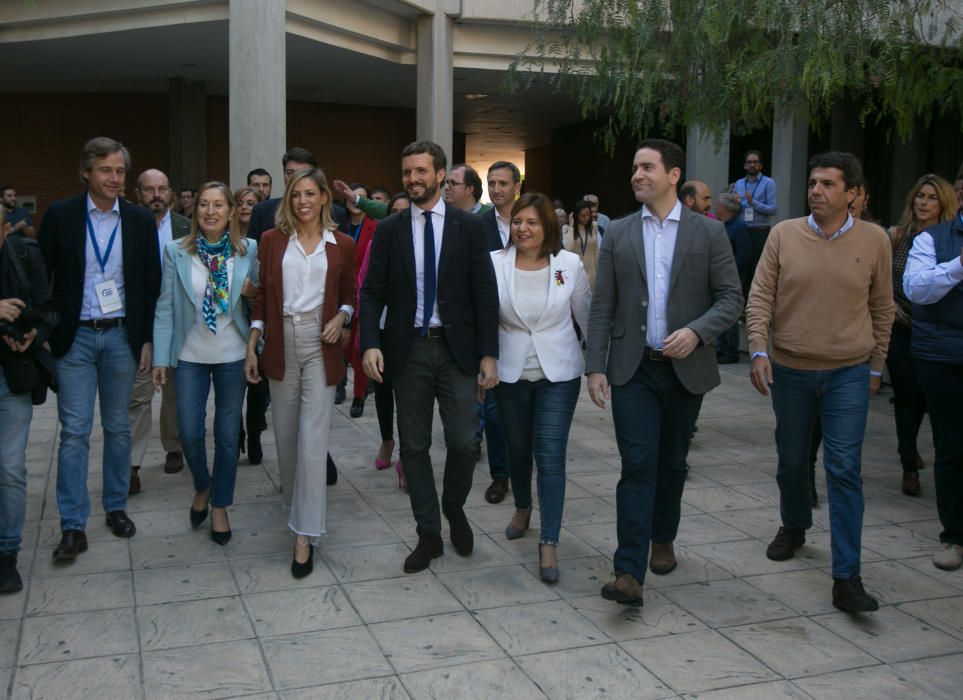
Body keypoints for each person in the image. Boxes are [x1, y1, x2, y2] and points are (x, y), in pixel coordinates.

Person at [587, 139, 743, 607]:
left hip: (685, 370)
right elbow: (603, 305)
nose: (637, 174)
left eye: (648, 167)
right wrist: (595, 366)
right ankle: (628, 570)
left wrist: (697, 333)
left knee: (672, 463)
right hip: (632, 368)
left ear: (674, 175)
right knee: (637, 464)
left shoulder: (708, 233)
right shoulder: (618, 232)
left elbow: (731, 299)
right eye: (635, 167)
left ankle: (663, 536)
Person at [747, 152, 894, 612]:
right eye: (813, 182)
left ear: (852, 193)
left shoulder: (875, 241)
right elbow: (760, 297)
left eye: (828, 184)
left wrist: (875, 366)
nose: (816, 190)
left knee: (844, 469)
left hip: (849, 371)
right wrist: (757, 348)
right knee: (792, 461)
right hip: (791, 370)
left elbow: (883, 308)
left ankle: (846, 576)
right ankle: (794, 525)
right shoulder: (783, 235)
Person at [360, 140, 499, 574]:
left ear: (440, 175)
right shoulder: (390, 229)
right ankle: (429, 533)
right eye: (407, 173)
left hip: (457, 350)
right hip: (409, 350)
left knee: (463, 441)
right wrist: (369, 342)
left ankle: (453, 507)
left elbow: (485, 294)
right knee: (414, 446)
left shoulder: (468, 227)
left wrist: (488, 354)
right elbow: (371, 292)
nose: (413, 179)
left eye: (421, 171)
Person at [38, 137, 161, 561]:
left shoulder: (139, 221)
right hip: (74, 338)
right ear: (86, 172)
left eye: (120, 171)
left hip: (121, 338)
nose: (114, 178)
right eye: (106, 170)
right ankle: (72, 524)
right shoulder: (60, 215)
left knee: (118, 426)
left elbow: (150, 284)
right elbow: (42, 276)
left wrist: (145, 338)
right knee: (73, 432)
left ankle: (115, 507)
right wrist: (48, 330)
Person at [247, 168, 356, 579]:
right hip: (279, 341)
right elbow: (261, 296)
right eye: (296, 195)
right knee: (288, 439)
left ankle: (304, 535)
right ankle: (296, 512)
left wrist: (343, 317)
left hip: (320, 342)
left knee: (313, 443)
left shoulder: (342, 244)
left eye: (310, 194)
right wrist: (252, 344)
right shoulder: (272, 241)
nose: (303, 201)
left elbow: (350, 293)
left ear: (325, 197)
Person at [493, 192, 591, 583]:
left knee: (549, 456)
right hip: (510, 373)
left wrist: (599, 366)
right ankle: (521, 506)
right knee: (517, 450)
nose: (523, 228)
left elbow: (587, 316)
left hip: (559, 374)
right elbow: (485, 316)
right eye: (518, 221)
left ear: (548, 226)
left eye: (532, 222)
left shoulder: (568, 264)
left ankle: (548, 542)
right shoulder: (494, 264)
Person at [152, 182, 256, 545]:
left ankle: (219, 506)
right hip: (189, 357)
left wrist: (252, 291)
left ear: (231, 212)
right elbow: (166, 307)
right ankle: (203, 483)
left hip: (232, 357)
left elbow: (261, 298)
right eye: (203, 206)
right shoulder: (176, 251)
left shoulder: (248, 250)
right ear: (195, 212)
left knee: (227, 437)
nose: (210, 212)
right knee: (191, 434)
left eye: (218, 206)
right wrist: (162, 357)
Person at [903, 184, 963, 571]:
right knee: (953, 446)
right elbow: (916, 289)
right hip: (945, 359)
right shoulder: (931, 238)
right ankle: (954, 536)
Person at [887, 174, 956, 496]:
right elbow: (882, 278)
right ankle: (908, 463)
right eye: (920, 196)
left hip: (935, 329)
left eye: (931, 197)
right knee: (906, 395)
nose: (923, 202)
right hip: (900, 326)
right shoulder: (898, 235)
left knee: (930, 400)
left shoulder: (949, 239)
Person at [0, 208, 58, 593]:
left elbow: (48, 304)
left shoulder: (24, 255)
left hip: (11, 374)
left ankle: (7, 553)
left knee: (10, 467)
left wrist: (33, 332)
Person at [127, 169, 189, 495]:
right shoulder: (127, 226)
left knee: (175, 393)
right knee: (138, 395)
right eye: (149, 189)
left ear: (171, 194)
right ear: (138, 193)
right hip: (139, 325)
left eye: (162, 188)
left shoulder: (186, 228)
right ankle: (132, 464)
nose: (156, 195)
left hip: (176, 324)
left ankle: (174, 446)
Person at [477, 161, 522, 504]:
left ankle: (523, 469)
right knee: (493, 410)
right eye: (491, 183)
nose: (496, 189)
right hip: (492, 329)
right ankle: (500, 475)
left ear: (516, 186)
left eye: (502, 183)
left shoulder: (533, 219)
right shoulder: (478, 225)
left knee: (525, 410)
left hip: (527, 328)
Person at [361, 192, 410, 484]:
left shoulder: (422, 245)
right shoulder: (376, 243)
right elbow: (365, 285)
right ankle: (387, 440)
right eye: (394, 211)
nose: (398, 216)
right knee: (383, 388)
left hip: (409, 330)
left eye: (405, 211)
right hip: (382, 326)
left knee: (408, 394)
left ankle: (408, 456)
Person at [247, 147, 349, 241]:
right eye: (290, 173)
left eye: (302, 173)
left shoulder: (337, 214)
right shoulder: (262, 211)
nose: (295, 178)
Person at [342, 183, 377, 417]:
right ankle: (338, 384)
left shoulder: (374, 227)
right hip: (340, 291)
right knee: (340, 345)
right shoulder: (338, 225)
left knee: (360, 346)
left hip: (363, 292)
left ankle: (359, 395)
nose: (355, 201)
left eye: (361, 197)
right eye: (353, 197)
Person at [712, 192, 753, 364]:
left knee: (730, 315)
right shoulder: (721, 225)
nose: (715, 208)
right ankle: (720, 348)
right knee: (718, 311)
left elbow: (744, 255)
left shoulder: (740, 227)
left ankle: (731, 350)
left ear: (725, 208)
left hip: (733, 278)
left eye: (717, 205)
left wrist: (732, 273)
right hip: (719, 276)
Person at [732, 150, 777, 280]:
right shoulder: (739, 183)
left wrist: (753, 202)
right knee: (741, 268)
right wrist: (736, 203)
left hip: (759, 231)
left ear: (761, 165)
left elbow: (773, 210)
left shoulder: (769, 183)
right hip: (742, 230)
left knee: (757, 269)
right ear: (745, 165)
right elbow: (736, 209)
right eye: (749, 162)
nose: (752, 165)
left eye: (755, 162)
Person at [562, 199, 601, 288]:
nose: (586, 218)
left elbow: (596, 251)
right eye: (582, 216)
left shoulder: (594, 226)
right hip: (575, 271)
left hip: (592, 272)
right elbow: (568, 248)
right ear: (575, 216)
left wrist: (599, 272)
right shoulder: (566, 228)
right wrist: (571, 226)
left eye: (588, 214)